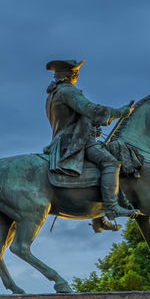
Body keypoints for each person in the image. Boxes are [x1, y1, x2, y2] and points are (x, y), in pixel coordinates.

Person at [41, 59, 136, 219]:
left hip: (67, 139)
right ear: (72, 74)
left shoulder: (54, 94)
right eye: (76, 73)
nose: (77, 76)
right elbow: (92, 110)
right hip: (74, 142)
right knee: (110, 163)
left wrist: (90, 128)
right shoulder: (67, 92)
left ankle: (98, 219)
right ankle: (112, 208)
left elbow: (73, 118)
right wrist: (120, 112)